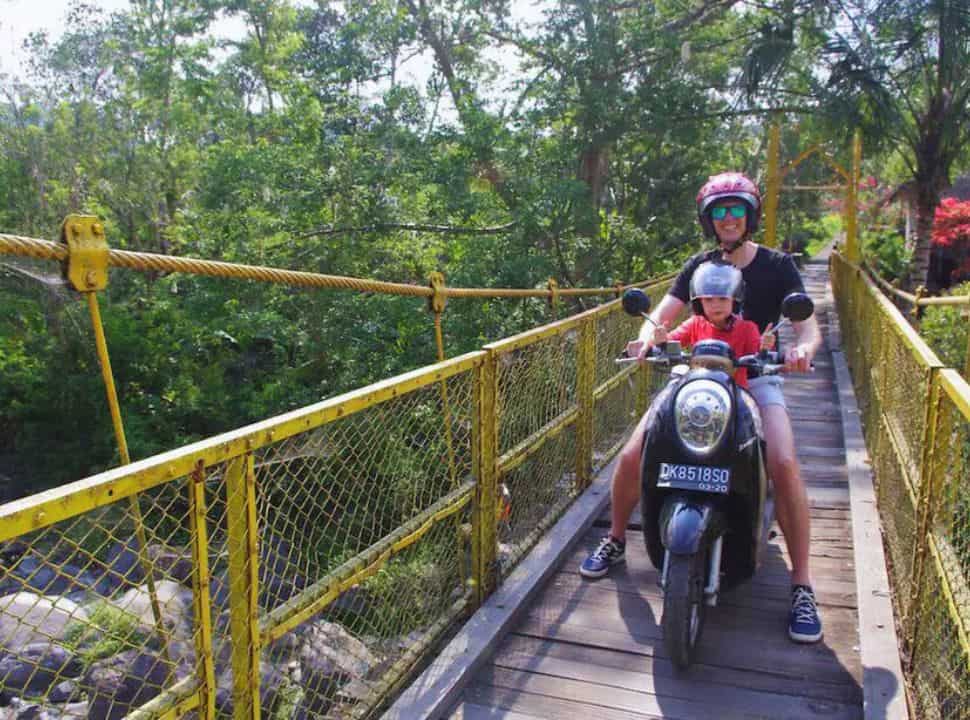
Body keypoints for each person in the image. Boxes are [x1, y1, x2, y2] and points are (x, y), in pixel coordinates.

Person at [580, 171, 824, 644]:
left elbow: (808, 327)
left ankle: (802, 585)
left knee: (785, 461)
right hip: (695, 378)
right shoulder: (698, 266)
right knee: (633, 452)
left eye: (736, 210)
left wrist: (803, 350)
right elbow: (664, 317)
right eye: (719, 211)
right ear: (708, 218)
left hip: (756, 376)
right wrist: (648, 339)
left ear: (749, 216)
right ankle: (614, 538)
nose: (728, 218)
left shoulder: (777, 266)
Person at [650, 260, 773, 389]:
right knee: (661, 405)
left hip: (735, 393)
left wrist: (764, 347)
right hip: (698, 390)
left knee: (753, 409)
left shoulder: (748, 328)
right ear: (699, 303)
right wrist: (660, 339)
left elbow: (758, 356)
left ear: (734, 300)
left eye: (723, 299)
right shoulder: (695, 323)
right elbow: (668, 343)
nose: (716, 305)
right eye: (708, 300)